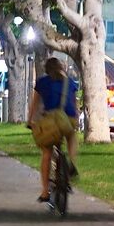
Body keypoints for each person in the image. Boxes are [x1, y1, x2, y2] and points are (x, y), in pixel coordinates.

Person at [27, 57, 79, 203]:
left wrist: (30, 121)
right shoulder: (70, 83)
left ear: (47, 69)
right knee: (71, 136)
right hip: (67, 119)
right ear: (61, 68)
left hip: (51, 121)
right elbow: (74, 105)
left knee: (47, 152)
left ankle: (45, 192)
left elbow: (35, 104)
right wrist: (75, 120)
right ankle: (72, 163)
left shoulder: (42, 83)